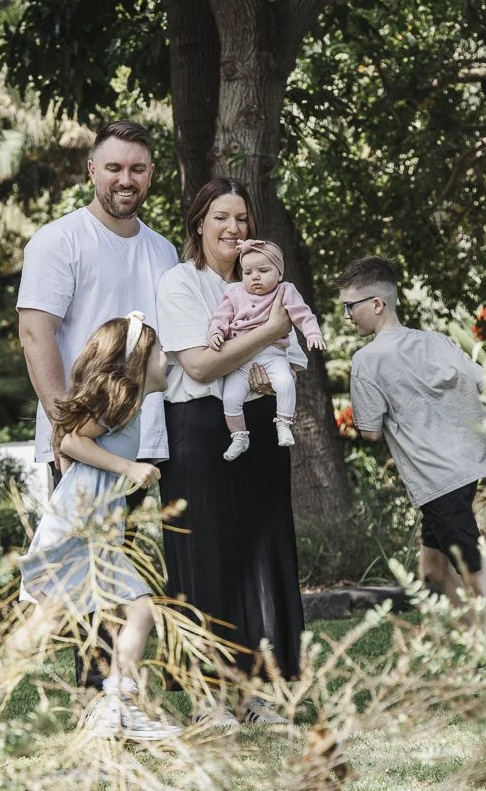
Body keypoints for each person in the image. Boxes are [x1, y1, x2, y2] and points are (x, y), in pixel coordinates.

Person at [0, 314, 183, 742]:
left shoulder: (130, 402)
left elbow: (71, 444)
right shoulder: (122, 398)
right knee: (46, 626)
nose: (168, 359)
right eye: (162, 351)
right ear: (138, 358)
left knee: (137, 608)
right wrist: (128, 466)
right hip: (80, 528)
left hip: (93, 527)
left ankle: (120, 705)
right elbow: (72, 440)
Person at [16, 120, 178, 685]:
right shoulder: (60, 241)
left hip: (145, 441)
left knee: (116, 576)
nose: (124, 179)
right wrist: (67, 438)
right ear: (92, 171)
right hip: (83, 445)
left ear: (151, 175)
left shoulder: (163, 250)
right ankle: (97, 697)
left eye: (136, 169)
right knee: (78, 588)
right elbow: (37, 335)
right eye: (113, 168)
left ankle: (115, 698)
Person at [156, 178, 307, 727]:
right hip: (197, 429)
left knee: (261, 550)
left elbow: (290, 355)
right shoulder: (179, 282)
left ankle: (259, 692)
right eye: (222, 217)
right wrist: (270, 330)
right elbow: (198, 364)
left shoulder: (262, 281)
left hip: (260, 423)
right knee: (206, 554)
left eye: (242, 218)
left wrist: (272, 357)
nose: (234, 229)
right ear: (200, 222)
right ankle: (208, 697)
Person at [336, 256, 486, 603]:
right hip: (466, 469)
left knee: (473, 569)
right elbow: (479, 381)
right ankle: (465, 635)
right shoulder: (437, 341)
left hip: (437, 479)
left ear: (377, 303)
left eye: (350, 306)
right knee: (432, 571)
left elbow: (370, 432)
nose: (347, 315)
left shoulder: (367, 360)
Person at [208, 238, 325, 457]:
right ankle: (239, 437)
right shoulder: (234, 292)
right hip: (240, 359)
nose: (255, 277)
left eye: (263, 270)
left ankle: (283, 424)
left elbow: (302, 313)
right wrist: (215, 333)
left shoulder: (285, 290)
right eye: (248, 272)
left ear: (279, 273)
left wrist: (312, 333)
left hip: (273, 354)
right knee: (231, 397)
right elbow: (221, 316)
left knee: (285, 382)